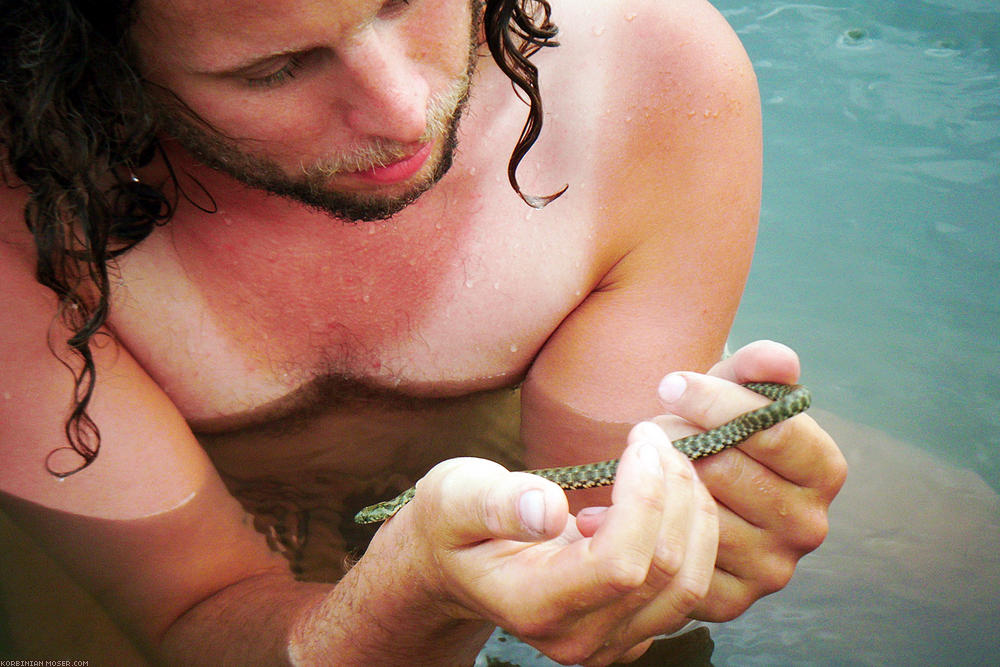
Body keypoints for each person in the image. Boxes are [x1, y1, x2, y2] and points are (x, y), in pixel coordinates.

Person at [0, 0, 847, 664]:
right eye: (275, 70)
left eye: (403, 0)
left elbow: (604, 564)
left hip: (496, 470)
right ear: (94, 76)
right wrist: (408, 598)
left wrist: (672, 548)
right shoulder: (23, 215)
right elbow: (191, 611)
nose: (405, 112)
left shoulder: (650, 77)